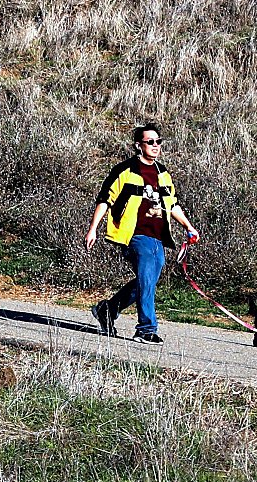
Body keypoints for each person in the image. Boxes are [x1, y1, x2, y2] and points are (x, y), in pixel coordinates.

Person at [85, 123, 200, 344]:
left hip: (158, 236)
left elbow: (172, 204)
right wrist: (93, 230)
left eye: (158, 142)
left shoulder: (163, 173)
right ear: (139, 145)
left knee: (146, 282)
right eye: (150, 142)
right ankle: (146, 329)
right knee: (146, 282)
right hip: (134, 235)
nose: (155, 146)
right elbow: (105, 200)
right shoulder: (125, 171)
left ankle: (107, 310)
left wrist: (188, 226)